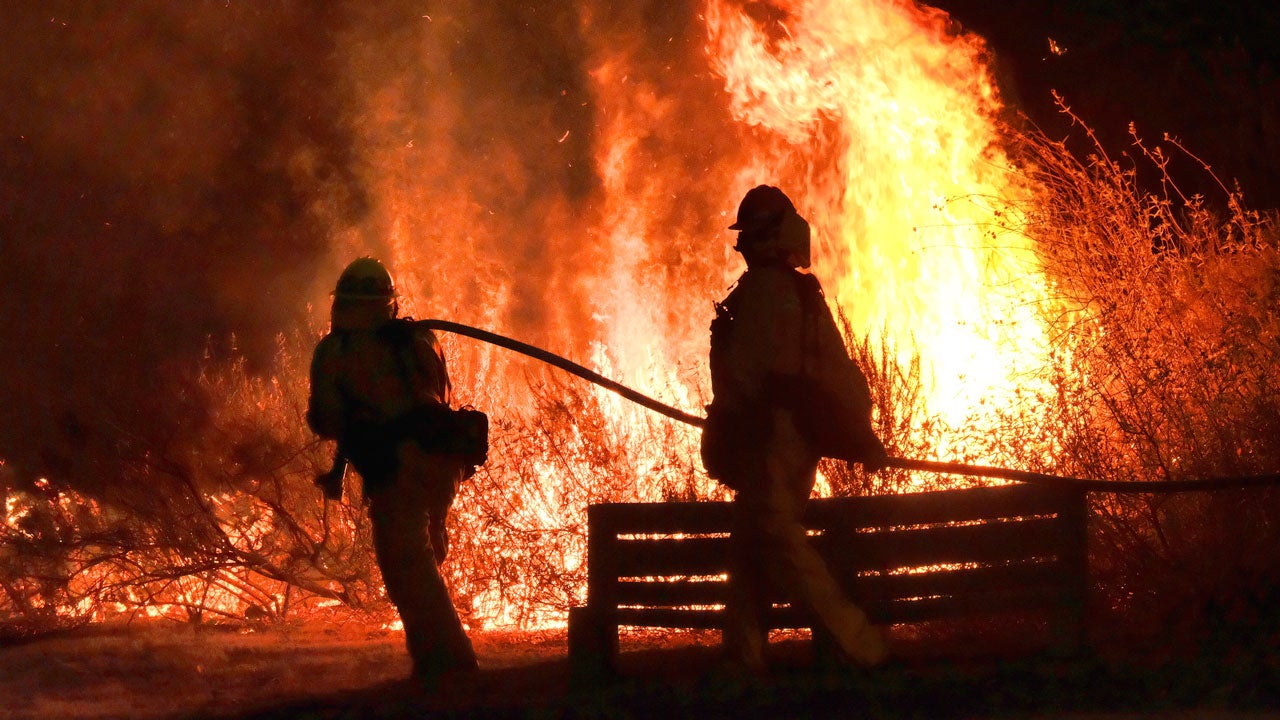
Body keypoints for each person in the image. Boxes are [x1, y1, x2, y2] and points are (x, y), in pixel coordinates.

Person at [701, 185, 890, 674]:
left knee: (780, 539)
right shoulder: (796, 293)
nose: (745, 245)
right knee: (749, 544)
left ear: (764, 237)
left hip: (770, 441)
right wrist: (861, 431)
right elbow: (838, 369)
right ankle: (743, 656)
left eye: (750, 235)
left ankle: (859, 644)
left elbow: (742, 377)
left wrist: (726, 426)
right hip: (784, 437)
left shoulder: (764, 295)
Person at [306, 257, 477, 684]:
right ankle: (436, 663)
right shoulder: (421, 337)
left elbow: (326, 419)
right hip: (444, 462)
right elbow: (437, 396)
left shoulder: (337, 350)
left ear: (342, 302)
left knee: (406, 566)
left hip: (400, 467)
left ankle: (451, 662)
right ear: (389, 302)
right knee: (425, 556)